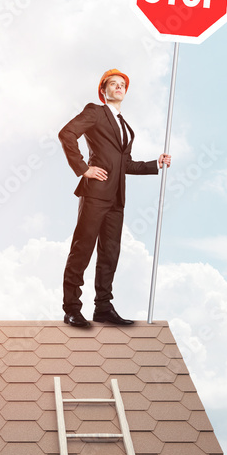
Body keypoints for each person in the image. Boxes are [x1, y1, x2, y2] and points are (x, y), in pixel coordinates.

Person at [58, 68, 172, 327]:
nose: (119, 87)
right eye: (113, 83)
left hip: (117, 198)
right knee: (82, 249)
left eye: (122, 84)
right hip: (95, 194)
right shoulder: (95, 112)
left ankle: (103, 308)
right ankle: (72, 309)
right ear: (103, 91)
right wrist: (84, 169)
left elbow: (126, 164)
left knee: (110, 253)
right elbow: (66, 134)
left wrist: (156, 163)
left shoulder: (125, 127)